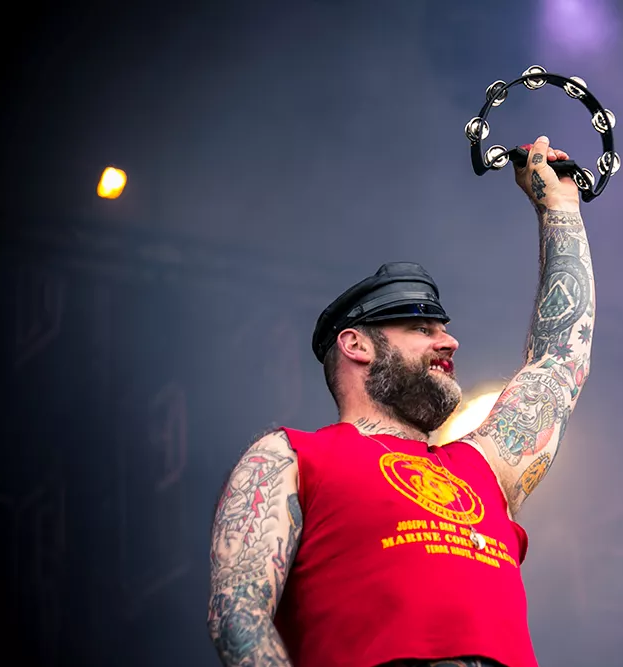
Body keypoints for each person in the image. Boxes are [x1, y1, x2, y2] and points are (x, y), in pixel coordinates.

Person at [207, 136, 597, 667]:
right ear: (357, 344)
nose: (449, 341)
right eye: (422, 328)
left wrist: (561, 209)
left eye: (444, 328)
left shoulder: (482, 467)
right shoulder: (290, 458)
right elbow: (239, 617)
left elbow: (559, 363)